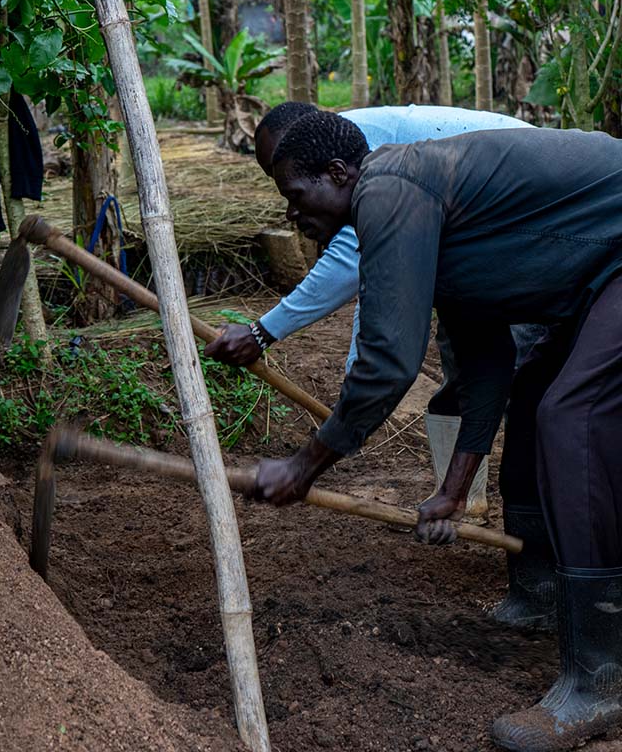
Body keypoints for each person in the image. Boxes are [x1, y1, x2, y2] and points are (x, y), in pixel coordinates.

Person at [243, 110, 622, 752]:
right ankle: (542, 590)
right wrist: (453, 490)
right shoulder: (417, 216)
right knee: (532, 396)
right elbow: (486, 361)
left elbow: (388, 361)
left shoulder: (390, 189)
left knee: (573, 416)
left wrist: (306, 464)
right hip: (597, 278)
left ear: (338, 175)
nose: (293, 215)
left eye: (295, 195)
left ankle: (601, 678)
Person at [205, 101, 542, 523]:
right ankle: (460, 502)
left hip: (525, 234)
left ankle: (547, 535)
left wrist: (262, 332)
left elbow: (353, 270)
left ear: (330, 168)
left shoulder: (368, 163)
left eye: (292, 189)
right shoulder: (352, 159)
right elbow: (377, 275)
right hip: (476, 250)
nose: (290, 211)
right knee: (470, 365)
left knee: (535, 391)